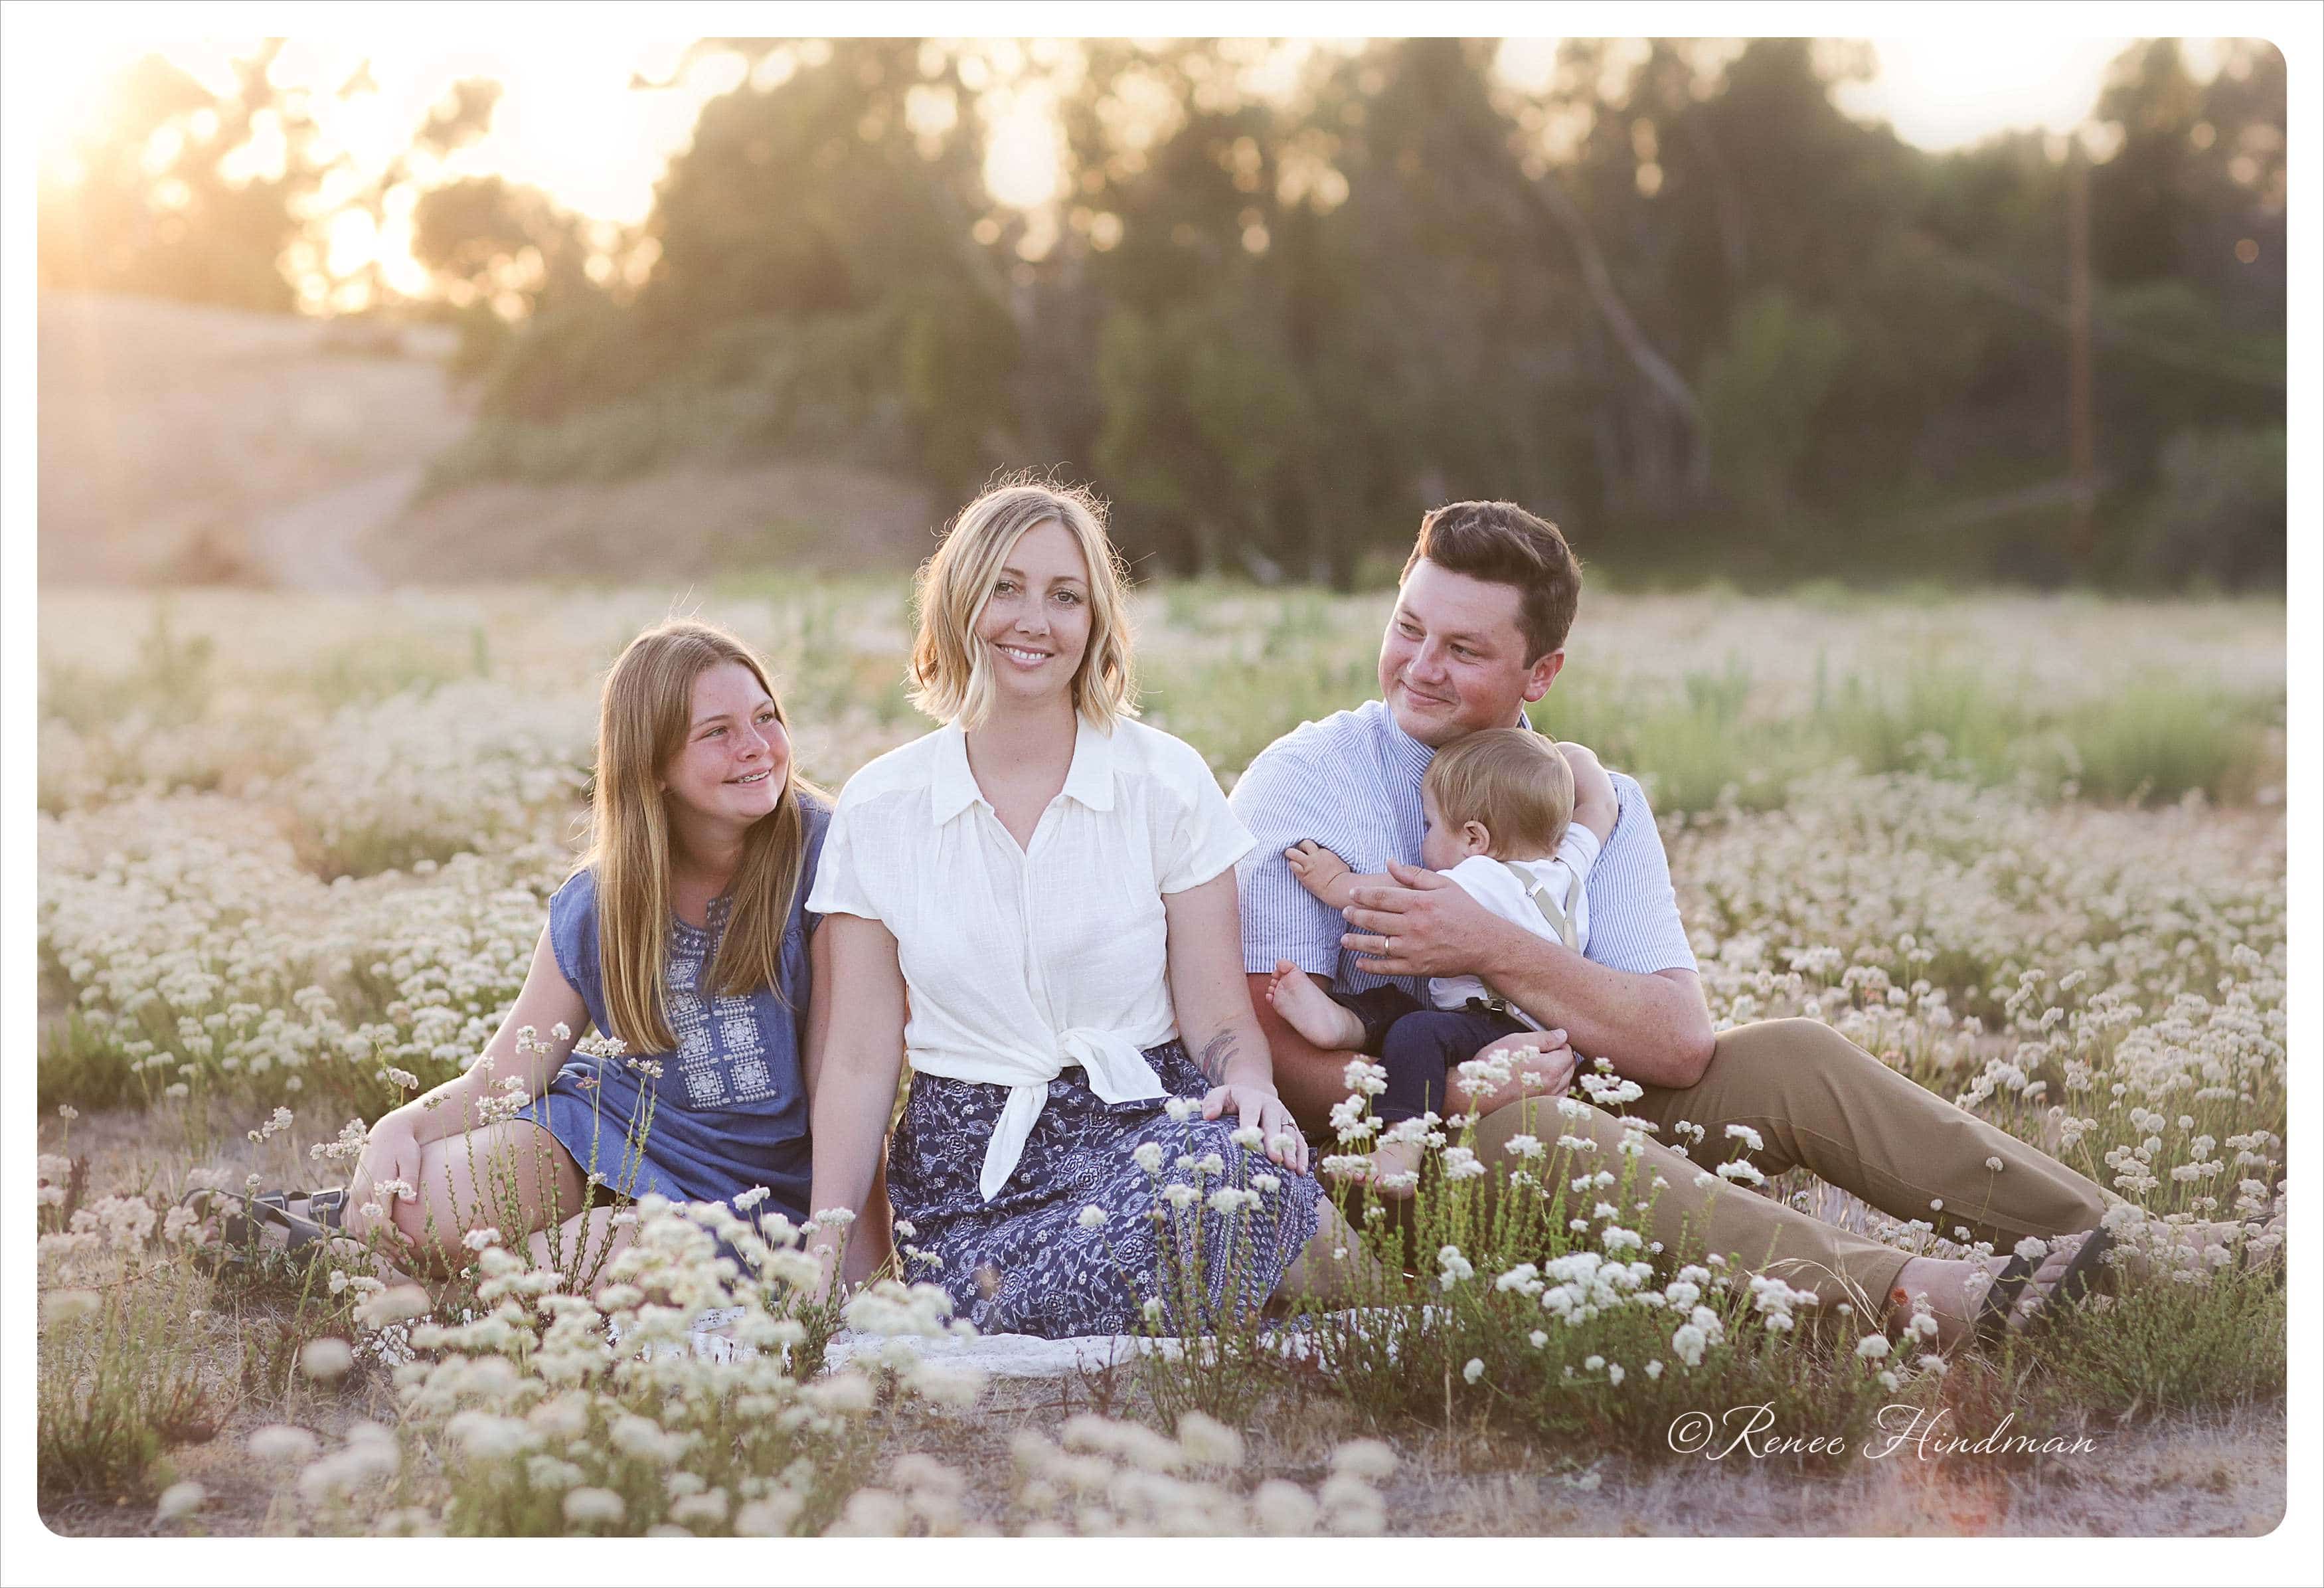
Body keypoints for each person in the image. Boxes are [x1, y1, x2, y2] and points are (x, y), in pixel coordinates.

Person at [1228, 500, 2197, 1349]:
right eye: (1410, 628)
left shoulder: (1589, 797)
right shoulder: (1306, 782)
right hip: (1404, 1156)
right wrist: (1466, 1083)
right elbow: (1280, 1059)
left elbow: (1679, 1044)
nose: (1421, 668)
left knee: (1793, 1053)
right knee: (1552, 1127)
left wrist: (1490, 945)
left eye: (1466, 649)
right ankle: (1914, 1296)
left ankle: (2140, 1251)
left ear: (1542, 671)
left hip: (1595, 1112)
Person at [801, 478, 1359, 1339]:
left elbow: (1218, 1017)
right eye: (1006, 587)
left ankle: (1334, 1288)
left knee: (1247, 1174)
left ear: (1095, 620)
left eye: (1066, 596)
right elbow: (859, 1059)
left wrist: (1250, 1084)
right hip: (970, 1171)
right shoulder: (882, 804)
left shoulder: (1163, 779)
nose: (1036, 619)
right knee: (997, 1297)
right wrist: (827, 1253)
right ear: (958, 603)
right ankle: (1189, 1294)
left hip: (1148, 1132)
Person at [336, 620, 835, 1284]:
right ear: (652, 766)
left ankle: (450, 1288)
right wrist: (398, 1126)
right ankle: (328, 1231)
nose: (755, 748)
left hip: (764, 1191)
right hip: (615, 1132)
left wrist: (845, 1253)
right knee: (411, 1213)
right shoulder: (603, 898)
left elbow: (850, 1085)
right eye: (716, 731)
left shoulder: (827, 860)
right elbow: (505, 1075)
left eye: (765, 717)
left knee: (591, 1265)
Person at [1263, 727, 1618, 1193]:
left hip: (1500, 1029)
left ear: (1474, 838)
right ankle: (1341, 1026)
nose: (1424, 839)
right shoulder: (1568, 868)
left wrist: (1334, 881)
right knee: (1397, 1006)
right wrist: (1580, 758)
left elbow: (1398, 896)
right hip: (1519, 1025)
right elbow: (1600, 808)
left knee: (1418, 1031)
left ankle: (1401, 1148)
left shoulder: (1482, 877)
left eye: (1430, 826)